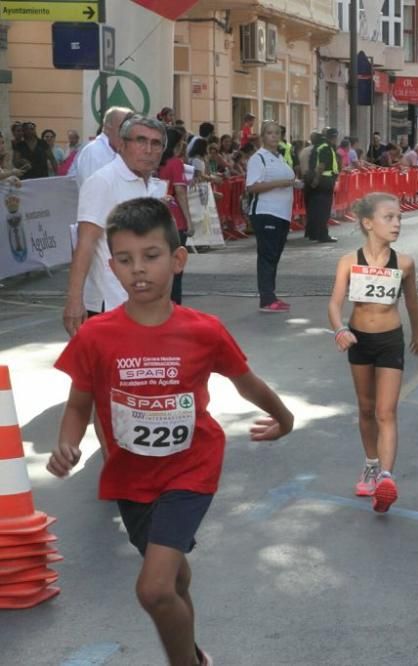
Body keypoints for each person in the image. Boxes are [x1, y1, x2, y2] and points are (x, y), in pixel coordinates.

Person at [47, 197, 294, 666]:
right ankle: (194, 653)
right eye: (124, 259)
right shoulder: (96, 336)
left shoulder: (204, 331)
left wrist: (284, 417)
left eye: (151, 256)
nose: (138, 270)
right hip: (130, 479)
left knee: (154, 589)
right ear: (112, 265)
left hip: (190, 471)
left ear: (177, 260)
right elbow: (79, 404)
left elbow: (247, 383)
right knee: (175, 583)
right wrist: (68, 443)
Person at [327, 192, 418, 512]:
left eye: (399, 218)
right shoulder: (349, 262)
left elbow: (413, 302)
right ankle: (371, 463)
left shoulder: (405, 263)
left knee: (387, 411)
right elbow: (334, 303)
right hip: (359, 340)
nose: (397, 223)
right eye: (389, 217)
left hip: (390, 340)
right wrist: (340, 329)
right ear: (368, 223)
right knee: (366, 408)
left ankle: (386, 476)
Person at [64, 113, 168, 334]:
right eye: (140, 140)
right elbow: (85, 244)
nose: (148, 149)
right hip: (110, 302)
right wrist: (74, 300)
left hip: (144, 301)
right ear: (121, 144)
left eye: (156, 143)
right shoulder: (103, 182)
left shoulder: (149, 183)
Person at [246, 120, 304, 313]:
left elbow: (287, 180)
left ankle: (271, 295)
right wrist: (281, 183)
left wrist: (293, 183)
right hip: (266, 212)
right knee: (267, 255)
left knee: (275, 255)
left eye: (277, 133)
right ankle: (267, 299)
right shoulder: (258, 158)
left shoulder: (280, 157)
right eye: (270, 133)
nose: (274, 136)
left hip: (282, 214)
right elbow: (252, 186)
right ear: (263, 136)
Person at [157, 127, 192, 304]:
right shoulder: (176, 163)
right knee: (176, 268)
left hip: (157, 219)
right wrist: (189, 221)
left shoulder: (156, 163)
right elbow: (180, 191)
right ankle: (174, 306)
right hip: (175, 220)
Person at [70, 106, 131, 187]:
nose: (128, 132)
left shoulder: (118, 150)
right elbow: (94, 191)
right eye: (123, 127)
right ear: (108, 127)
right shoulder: (94, 152)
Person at [304, 129, 338, 243]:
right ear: (333, 137)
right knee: (323, 210)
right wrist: (317, 180)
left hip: (316, 180)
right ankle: (323, 235)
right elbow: (321, 165)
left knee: (314, 209)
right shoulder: (326, 148)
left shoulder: (318, 147)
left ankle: (313, 233)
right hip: (324, 181)